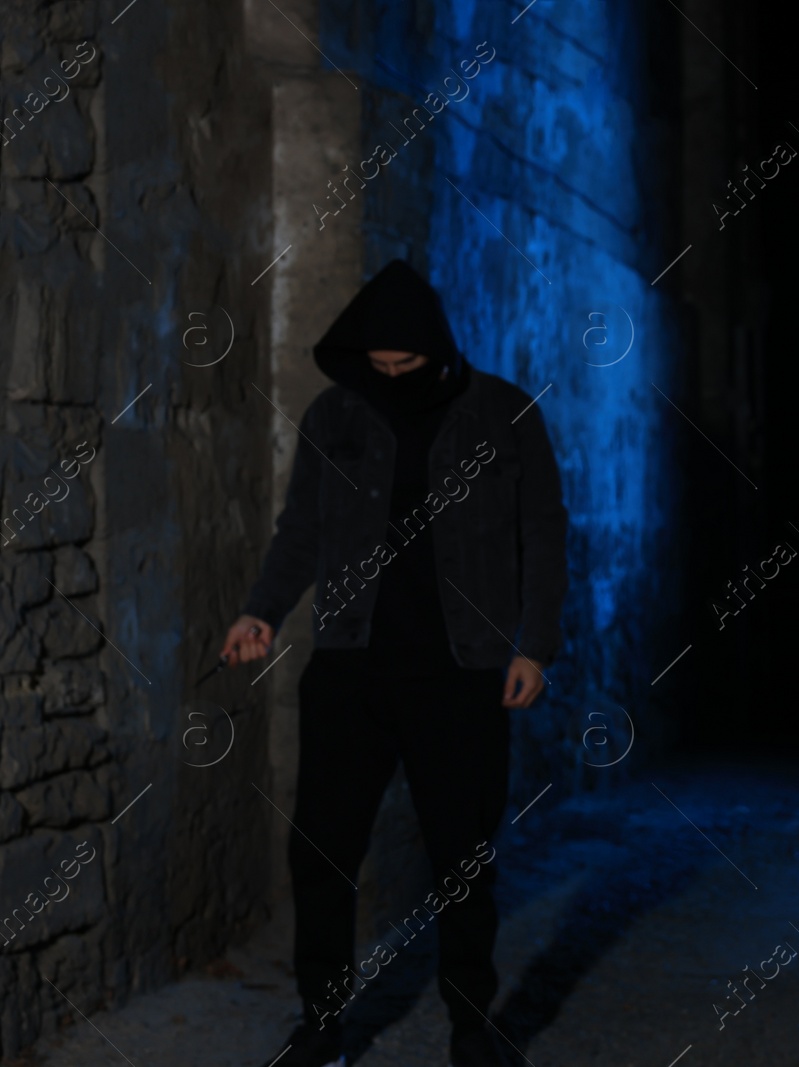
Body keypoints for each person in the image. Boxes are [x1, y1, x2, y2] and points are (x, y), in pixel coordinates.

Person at [222, 259, 568, 1067]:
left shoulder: (506, 416)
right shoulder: (332, 418)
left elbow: (544, 537)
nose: (391, 380)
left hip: (463, 673)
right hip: (350, 670)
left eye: (405, 367)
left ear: (438, 352)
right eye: (377, 368)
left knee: (463, 857)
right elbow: (299, 529)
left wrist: (534, 645)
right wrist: (260, 610)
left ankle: (472, 1025)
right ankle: (322, 1023)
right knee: (320, 850)